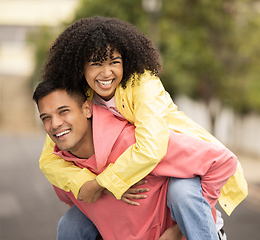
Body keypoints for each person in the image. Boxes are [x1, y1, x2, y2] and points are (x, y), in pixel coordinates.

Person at [38, 16, 248, 239]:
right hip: (136, 172)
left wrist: (104, 183)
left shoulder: (143, 84)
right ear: (81, 67)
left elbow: (152, 148)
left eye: (114, 62)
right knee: (71, 225)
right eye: (96, 63)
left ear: (125, 61)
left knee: (182, 194)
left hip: (177, 160)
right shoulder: (82, 97)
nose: (106, 72)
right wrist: (85, 184)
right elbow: (49, 159)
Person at [33, 81, 238, 240]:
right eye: (46, 118)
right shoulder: (62, 169)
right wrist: (104, 188)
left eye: (63, 111)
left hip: (184, 234)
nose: (55, 124)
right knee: (70, 224)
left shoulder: (135, 143)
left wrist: (178, 232)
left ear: (87, 109)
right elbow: (77, 203)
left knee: (182, 192)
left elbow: (222, 160)